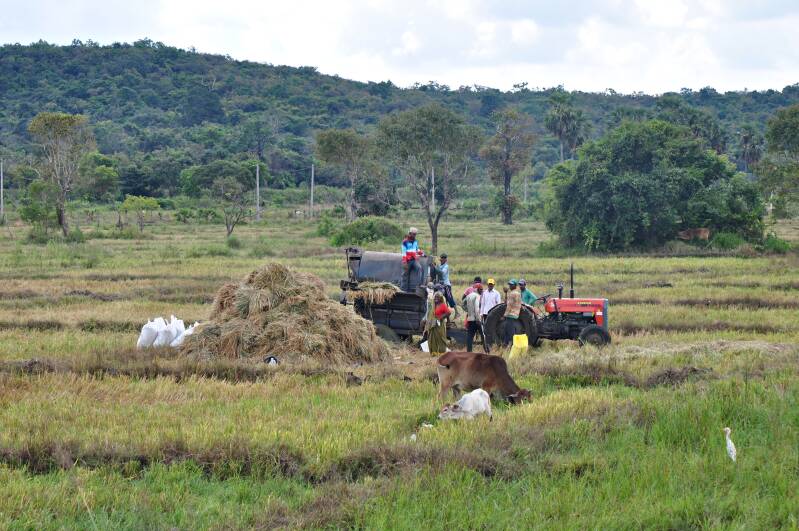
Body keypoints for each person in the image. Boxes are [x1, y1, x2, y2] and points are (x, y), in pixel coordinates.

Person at [462, 283, 486, 353]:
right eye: (481, 289)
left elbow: (463, 304)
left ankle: (469, 352)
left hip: (470, 319)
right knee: (483, 335)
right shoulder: (477, 296)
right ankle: (486, 350)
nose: (482, 291)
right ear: (477, 289)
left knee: (470, 336)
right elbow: (477, 308)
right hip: (477, 319)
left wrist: (468, 310)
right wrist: (478, 319)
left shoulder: (469, 295)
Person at [503, 279, 522, 346]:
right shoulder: (518, 293)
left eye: (511, 285)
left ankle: (512, 346)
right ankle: (506, 345)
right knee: (510, 330)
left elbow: (509, 305)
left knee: (510, 332)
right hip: (516, 314)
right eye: (510, 285)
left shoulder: (512, 294)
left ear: (515, 286)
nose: (510, 286)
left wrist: (504, 315)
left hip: (510, 314)